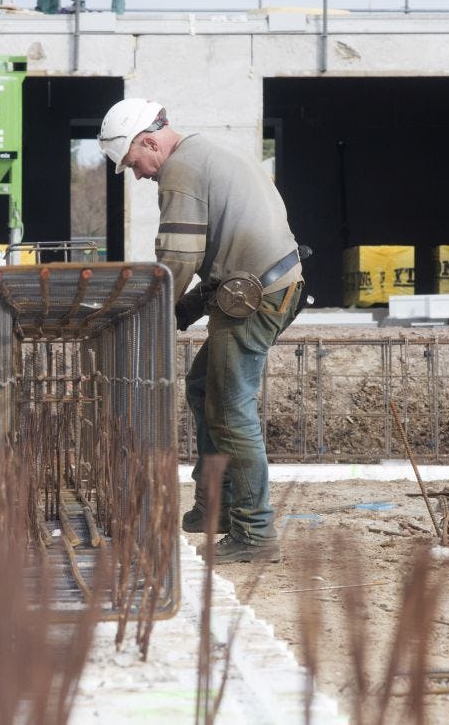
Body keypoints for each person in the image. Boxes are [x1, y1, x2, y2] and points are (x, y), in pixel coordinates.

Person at [97, 99, 303, 564]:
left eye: (133, 163)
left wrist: (152, 315)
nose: (138, 174)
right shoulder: (206, 153)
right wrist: (179, 312)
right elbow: (213, 256)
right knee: (202, 386)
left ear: (149, 141)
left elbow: (178, 258)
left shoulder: (181, 169)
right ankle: (218, 506)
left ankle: (253, 533)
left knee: (231, 410)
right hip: (261, 284)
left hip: (255, 292)